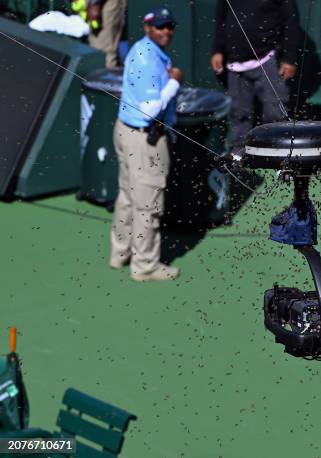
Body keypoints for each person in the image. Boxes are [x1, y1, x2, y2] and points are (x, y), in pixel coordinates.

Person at [110, 7, 183, 281]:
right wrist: (175, 82)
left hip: (126, 131)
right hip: (144, 138)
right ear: (147, 28)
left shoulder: (143, 50)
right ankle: (145, 266)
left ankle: (121, 253)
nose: (166, 31)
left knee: (128, 196)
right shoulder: (147, 59)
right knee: (147, 205)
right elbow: (149, 111)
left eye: (169, 26)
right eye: (160, 26)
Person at [210, 0, 300, 157]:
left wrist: (290, 58)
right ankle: (238, 157)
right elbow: (221, 19)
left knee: (276, 112)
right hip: (235, 62)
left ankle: (280, 157)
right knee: (239, 114)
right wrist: (218, 49)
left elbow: (291, 21)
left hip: (268, 58)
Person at [83, 0, 127, 69]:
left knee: (102, 51)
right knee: (95, 47)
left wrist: (95, 3)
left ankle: (105, 77)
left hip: (105, 4)